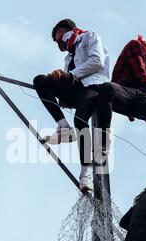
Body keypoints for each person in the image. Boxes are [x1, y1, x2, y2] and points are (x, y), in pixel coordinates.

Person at [33, 19, 111, 192]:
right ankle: (63, 126)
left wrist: (70, 75)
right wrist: (59, 77)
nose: (59, 42)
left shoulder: (90, 36)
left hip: (93, 86)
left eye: (59, 36)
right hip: (75, 90)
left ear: (68, 30)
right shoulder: (69, 57)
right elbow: (70, 78)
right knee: (41, 80)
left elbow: (97, 61)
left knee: (80, 122)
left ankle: (85, 172)